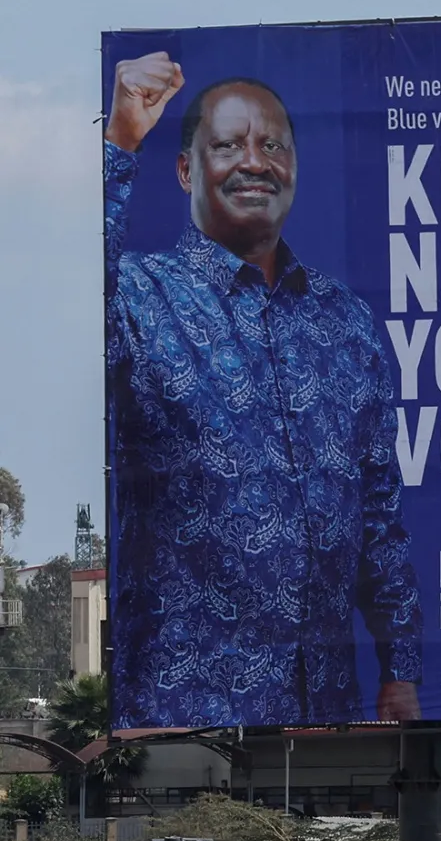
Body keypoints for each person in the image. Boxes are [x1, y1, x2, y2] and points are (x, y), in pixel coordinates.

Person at [104, 52, 422, 728]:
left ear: (295, 170)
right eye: (227, 145)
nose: (255, 161)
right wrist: (119, 143)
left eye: (273, 145)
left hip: (327, 718)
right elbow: (75, 293)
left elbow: (379, 513)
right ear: (187, 169)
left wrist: (401, 669)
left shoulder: (346, 320)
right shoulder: (137, 296)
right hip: (181, 717)